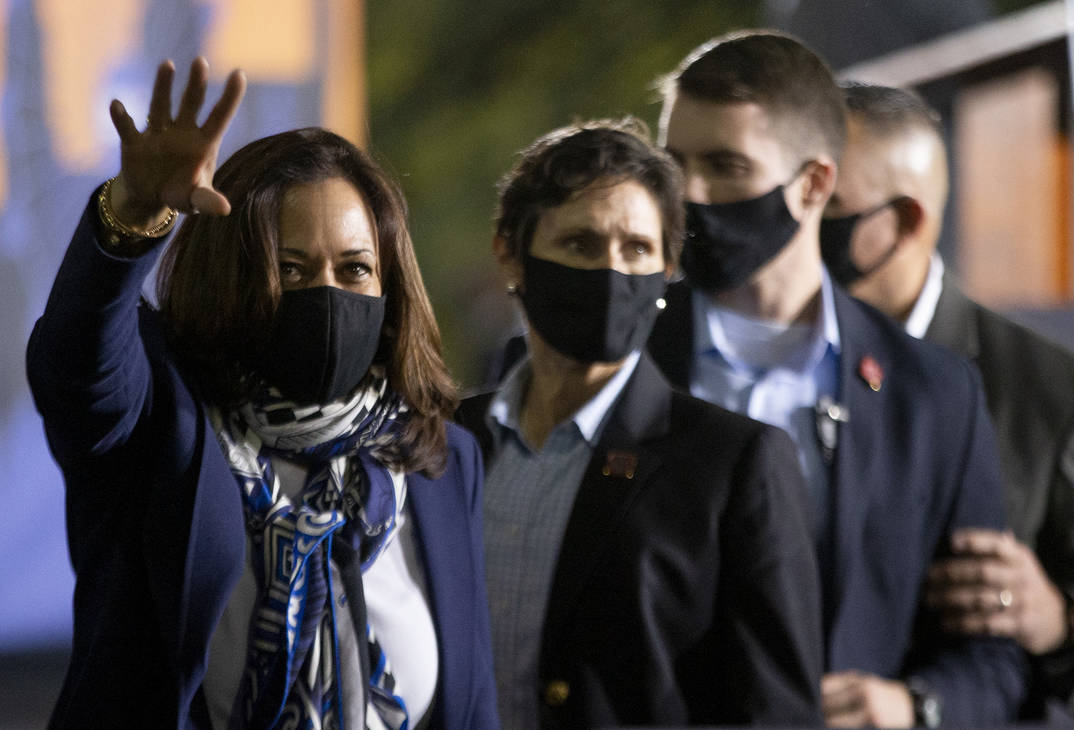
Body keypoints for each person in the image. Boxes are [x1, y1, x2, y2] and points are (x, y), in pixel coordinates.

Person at [26, 58, 499, 729]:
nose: (327, 294)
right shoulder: (167, 419)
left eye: (355, 268)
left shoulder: (441, 460)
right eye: (290, 269)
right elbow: (78, 369)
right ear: (232, 277)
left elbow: (472, 703)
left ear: (390, 288)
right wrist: (130, 217)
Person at [650, 30, 1027, 727]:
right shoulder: (616, 359)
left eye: (725, 166)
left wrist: (913, 706)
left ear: (815, 184)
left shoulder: (933, 393)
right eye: (675, 165)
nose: (690, 195)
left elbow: (991, 660)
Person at [823, 81, 1074, 723]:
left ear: (906, 222)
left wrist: (1057, 619)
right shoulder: (751, 359)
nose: (794, 226)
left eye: (827, 205)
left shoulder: (1056, 394)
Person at [455, 119, 824, 728]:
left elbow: (775, 710)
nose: (610, 270)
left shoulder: (733, 465)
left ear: (668, 268)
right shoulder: (448, 442)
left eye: (637, 249)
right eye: (580, 243)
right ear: (510, 255)